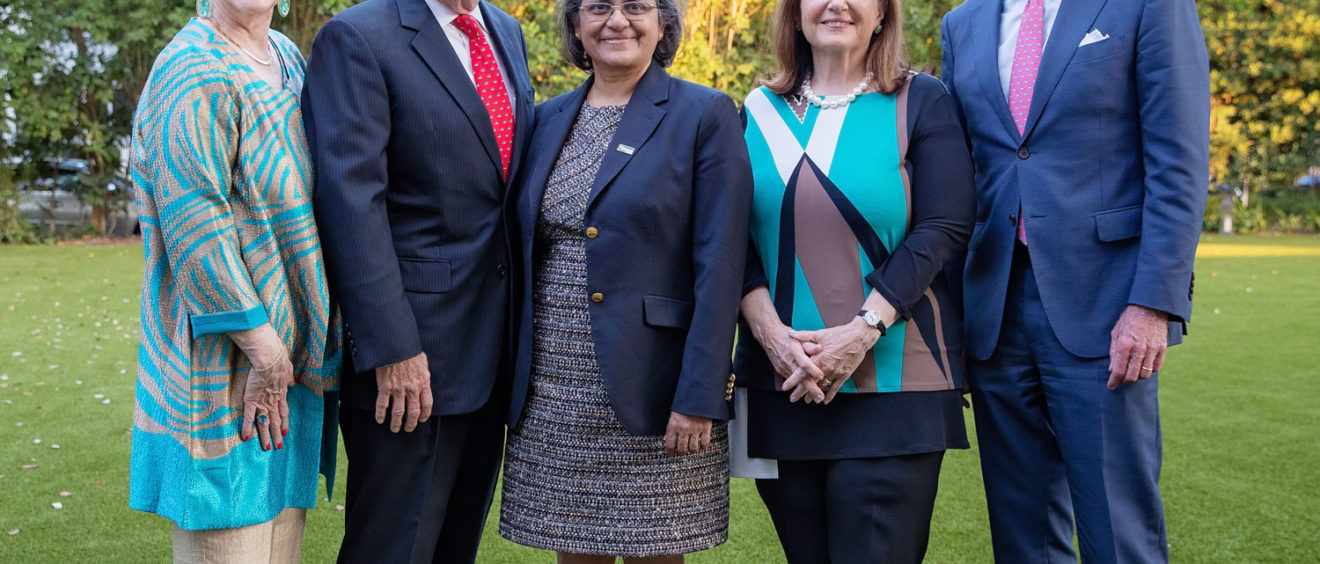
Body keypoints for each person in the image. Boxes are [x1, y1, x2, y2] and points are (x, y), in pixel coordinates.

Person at [940, 0, 1210, 560]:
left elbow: (1178, 163)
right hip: (993, 312)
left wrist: (1152, 305)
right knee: (1022, 537)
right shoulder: (961, 23)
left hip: (1109, 306)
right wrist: (954, 324)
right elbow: (958, 175)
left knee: (1118, 532)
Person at [497, 0, 753, 561]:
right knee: (573, 548)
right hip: (555, 390)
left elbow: (723, 263)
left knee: (655, 549)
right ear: (575, 25)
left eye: (635, 6)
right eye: (598, 8)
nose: (616, 21)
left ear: (663, 24)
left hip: (657, 387)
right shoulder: (543, 119)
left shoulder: (705, 114)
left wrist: (701, 393)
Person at [731, 0, 976, 561]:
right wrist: (771, 335)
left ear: (883, 15)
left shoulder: (922, 100)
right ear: (794, 13)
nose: (837, 3)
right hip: (784, 383)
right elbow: (727, 239)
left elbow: (945, 224)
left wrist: (864, 329)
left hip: (895, 382)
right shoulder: (755, 110)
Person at [301, 0, 534, 561]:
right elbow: (349, 202)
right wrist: (393, 349)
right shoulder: (356, 36)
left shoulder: (505, 31)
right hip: (409, 363)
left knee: (455, 549)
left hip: (493, 354)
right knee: (392, 549)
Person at [127, 0, 342, 561]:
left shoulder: (288, 58)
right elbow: (193, 218)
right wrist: (264, 350)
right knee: (230, 539)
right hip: (228, 351)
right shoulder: (192, 67)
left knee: (279, 543)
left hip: (288, 352)